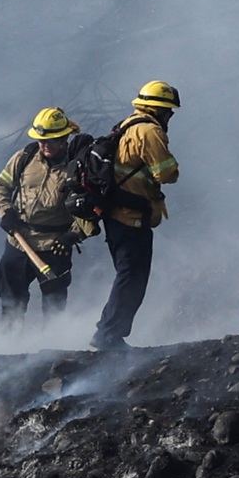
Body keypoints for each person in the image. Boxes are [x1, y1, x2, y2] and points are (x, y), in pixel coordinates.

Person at [91, 80, 181, 351]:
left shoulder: (126, 124)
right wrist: (172, 168)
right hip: (131, 216)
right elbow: (167, 173)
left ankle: (108, 332)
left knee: (127, 274)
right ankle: (108, 336)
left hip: (116, 213)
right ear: (160, 110)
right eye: (169, 111)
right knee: (133, 277)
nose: (170, 117)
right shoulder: (149, 131)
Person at [0, 108, 99, 319]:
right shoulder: (24, 157)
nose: (44, 145)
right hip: (18, 242)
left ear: (64, 138)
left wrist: (73, 235)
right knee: (11, 302)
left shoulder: (77, 168)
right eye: (41, 140)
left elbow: (88, 208)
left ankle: (53, 347)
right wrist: (6, 212)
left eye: (50, 140)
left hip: (54, 247)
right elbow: (1, 186)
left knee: (54, 306)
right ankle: (10, 344)